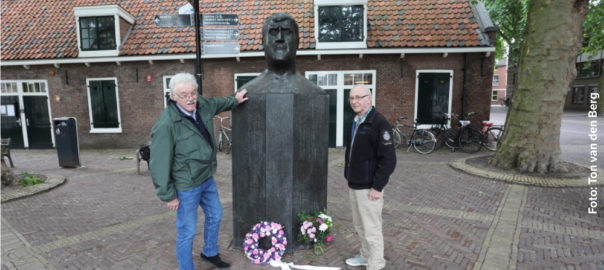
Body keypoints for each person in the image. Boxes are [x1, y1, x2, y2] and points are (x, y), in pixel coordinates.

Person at [150, 72, 248, 270]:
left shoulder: (201, 105)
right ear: (173, 97)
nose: (190, 98)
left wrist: (234, 100)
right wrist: (168, 195)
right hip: (186, 185)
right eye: (184, 94)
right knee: (187, 230)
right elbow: (158, 163)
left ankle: (209, 253)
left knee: (216, 215)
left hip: (206, 177)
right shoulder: (167, 123)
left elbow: (217, 103)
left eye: (193, 93)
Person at [344, 84, 396, 270]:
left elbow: (389, 160)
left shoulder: (379, 123)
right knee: (360, 226)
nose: (355, 101)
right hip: (355, 183)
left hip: (369, 187)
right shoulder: (357, 120)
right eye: (352, 98)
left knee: (371, 229)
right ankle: (366, 256)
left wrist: (377, 187)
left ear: (369, 98)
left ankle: (375, 264)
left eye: (359, 97)